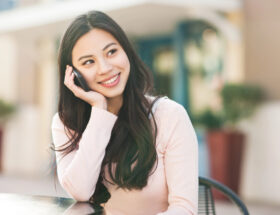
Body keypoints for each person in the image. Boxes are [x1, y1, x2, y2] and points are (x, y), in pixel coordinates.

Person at [51, 10, 198, 215]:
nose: (105, 68)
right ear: (73, 74)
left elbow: (185, 208)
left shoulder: (169, 116)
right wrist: (101, 113)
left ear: (126, 51)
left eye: (111, 52)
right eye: (88, 62)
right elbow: (81, 191)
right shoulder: (66, 122)